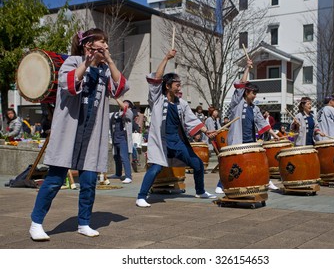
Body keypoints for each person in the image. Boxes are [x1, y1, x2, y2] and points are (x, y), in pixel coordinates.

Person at [29, 28, 129, 241]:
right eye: (101, 43)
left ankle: (84, 222)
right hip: (70, 131)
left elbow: (120, 88)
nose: (105, 47)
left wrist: (109, 60)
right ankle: (36, 223)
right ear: (88, 45)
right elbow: (69, 85)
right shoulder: (73, 62)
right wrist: (87, 61)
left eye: (106, 43)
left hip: (91, 134)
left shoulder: (104, 70)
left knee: (89, 181)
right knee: (55, 180)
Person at [136, 49, 217, 208]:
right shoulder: (157, 99)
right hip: (161, 141)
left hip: (177, 142)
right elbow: (156, 78)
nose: (180, 88)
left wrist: (206, 131)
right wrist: (166, 57)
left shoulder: (182, 104)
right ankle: (141, 196)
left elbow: (191, 120)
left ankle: (200, 191)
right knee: (156, 168)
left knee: (197, 164)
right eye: (177, 85)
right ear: (167, 86)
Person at [215, 59, 280, 194]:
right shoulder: (236, 103)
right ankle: (221, 184)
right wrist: (247, 68)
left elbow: (262, 122)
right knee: (232, 162)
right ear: (246, 93)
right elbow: (241, 84)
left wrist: (274, 135)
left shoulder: (254, 108)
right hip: (237, 139)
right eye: (253, 93)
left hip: (250, 139)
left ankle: (265, 181)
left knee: (256, 161)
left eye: (256, 94)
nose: (255, 96)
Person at [109, 99, 134, 184]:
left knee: (124, 157)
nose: (123, 104)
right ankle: (118, 173)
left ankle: (128, 176)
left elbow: (125, 108)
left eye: (126, 103)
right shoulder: (115, 114)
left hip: (124, 139)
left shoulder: (129, 113)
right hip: (115, 138)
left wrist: (115, 97)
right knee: (116, 157)